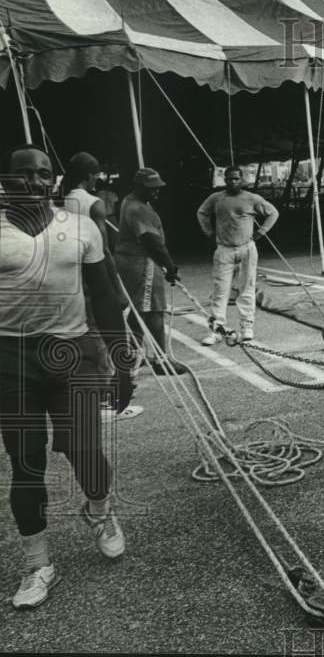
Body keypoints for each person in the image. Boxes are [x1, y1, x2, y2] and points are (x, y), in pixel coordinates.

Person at [0, 144, 131, 609]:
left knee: (86, 452)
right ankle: (38, 565)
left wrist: (122, 360)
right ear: (6, 178)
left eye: (43, 173)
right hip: (12, 359)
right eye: (24, 173)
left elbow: (105, 296)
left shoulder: (80, 226)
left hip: (71, 352)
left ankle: (99, 511)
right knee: (27, 463)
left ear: (54, 180)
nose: (35, 181)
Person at [62, 153, 143, 422]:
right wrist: (115, 287)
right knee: (103, 334)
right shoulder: (93, 203)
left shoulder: (63, 201)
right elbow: (104, 248)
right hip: (92, 274)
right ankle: (107, 401)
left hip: (71, 276)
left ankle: (93, 394)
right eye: (96, 175)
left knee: (86, 332)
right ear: (90, 176)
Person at [114, 168, 186, 375]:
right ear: (138, 187)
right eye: (151, 189)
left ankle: (134, 353)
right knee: (151, 310)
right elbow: (152, 241)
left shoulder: (130, 201)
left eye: (158, 189)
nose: (156, 193)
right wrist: (170, 267)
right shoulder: (138, 208)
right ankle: (159, 360)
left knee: (144, 309)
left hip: (132, 261)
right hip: (141, 262)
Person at [197, 166, 279, 345]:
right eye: (229, 179)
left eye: (236, 179)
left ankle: (247, 326)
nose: (232, 182)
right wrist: (209, 232)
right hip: (224, 249)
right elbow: (202, 213)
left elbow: (273, 213)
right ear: (224, 180)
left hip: (246, 248)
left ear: (242, 180)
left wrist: (261, 232)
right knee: (220, 290)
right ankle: (217, 330)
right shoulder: (216, 198)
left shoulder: (252, 198)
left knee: (247, 289)